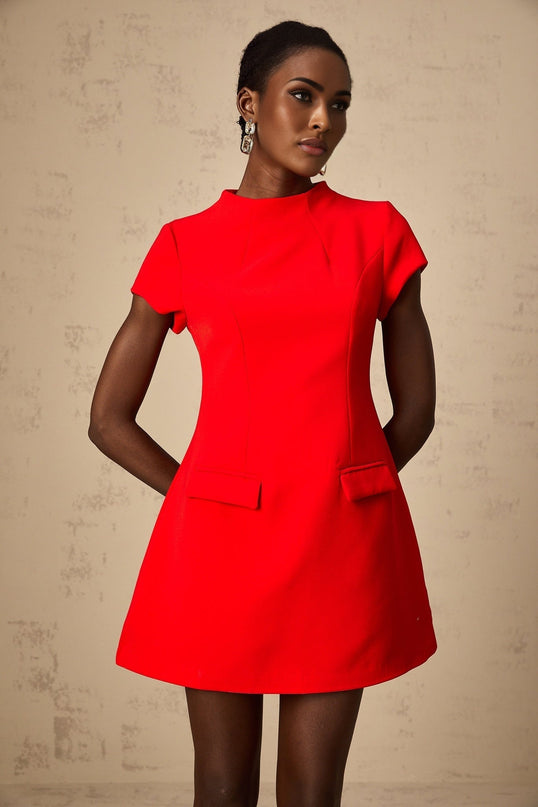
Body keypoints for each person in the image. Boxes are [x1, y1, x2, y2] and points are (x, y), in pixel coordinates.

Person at [89, 20, 437, 807]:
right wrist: (198, 495)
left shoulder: (378, 232)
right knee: (221, 789)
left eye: (340, 104)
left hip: (340, 545)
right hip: (219, 550)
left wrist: (352, 487)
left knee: (313, 793)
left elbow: (415, 410)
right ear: (250, 103)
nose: (324, 120)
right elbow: (108, 419)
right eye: (303, 97)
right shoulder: (186, 243)